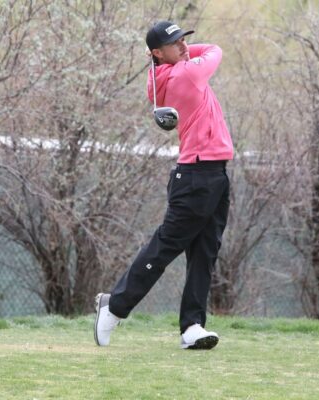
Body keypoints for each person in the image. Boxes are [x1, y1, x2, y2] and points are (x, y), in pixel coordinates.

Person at [94, 21, 234, 350]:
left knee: (204, 252)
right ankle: (114, 307)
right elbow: (215, 50)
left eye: (185, 40)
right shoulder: (186, 74)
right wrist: (185, 55)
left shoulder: (165, 74)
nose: (184, 46)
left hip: (212, 172)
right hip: (197, 175)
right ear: (157, 52)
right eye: (176, 43)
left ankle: (192, 327)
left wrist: (172, 54)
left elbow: (188, 55)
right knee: (165, 248)